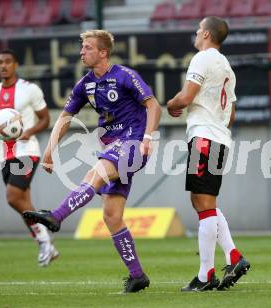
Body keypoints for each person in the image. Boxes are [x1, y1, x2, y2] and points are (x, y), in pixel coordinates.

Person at [23, 30, 162, 293]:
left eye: (87, 47)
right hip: (112, 146)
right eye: (81, 47)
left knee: (95, 174)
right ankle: (137, 276)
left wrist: (147, 137)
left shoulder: (125, 75)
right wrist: (49, 150)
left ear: (103, 52)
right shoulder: (84, 85)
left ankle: (56, 216)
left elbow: (154, 106)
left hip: (132, 143)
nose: (81, 52)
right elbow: (64, 118)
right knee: (111, 216)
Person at [167, 17, 250, 292]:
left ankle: (206, 275)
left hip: (204, 138)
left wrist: (171, 104)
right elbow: (232, 113)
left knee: (203, 202)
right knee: (201, 201)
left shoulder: (202, 58)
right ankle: (233, 257)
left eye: (197, 29)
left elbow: (187, 96)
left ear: (205, 33)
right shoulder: (227, 66)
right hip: (218, 137)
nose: (195, 33)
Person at [0, 49, 58, 267]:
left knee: (12, 197)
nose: (3, 66)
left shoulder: (29, 90)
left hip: (27, 151)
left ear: (16, 64)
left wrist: (31, 131)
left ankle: (44, 237)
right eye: (0, 62)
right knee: (24, 203)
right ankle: (47, 246)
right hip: (5, 155)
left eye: (8, 62)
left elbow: (45, 119)